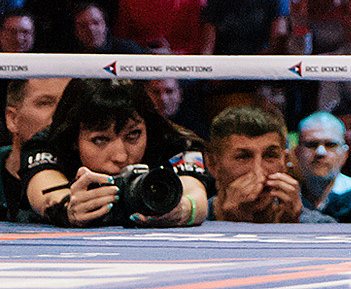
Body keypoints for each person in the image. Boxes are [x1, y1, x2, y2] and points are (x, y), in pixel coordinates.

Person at [22, 78, 208, 227]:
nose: (121, 157)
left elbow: (196, 197)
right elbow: (45, 193)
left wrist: (181, 210)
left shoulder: (174, 143)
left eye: (133, 135)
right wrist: (68, 207)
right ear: (73, 139)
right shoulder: (49, 143)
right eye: (100, 140)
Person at [206, 105, 316, 223]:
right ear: (213, 164)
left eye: (270, 156)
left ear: (285, 161)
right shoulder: (190, 224)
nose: (259, 173)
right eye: (243, 157)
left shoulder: (321, 228)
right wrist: (227, 224)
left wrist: (290, 229)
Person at [2, 78, 69, 220]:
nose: (60, 114)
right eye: (45, 103)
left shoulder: (89, 169)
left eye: (67, 103)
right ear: (12, 119)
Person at [294, 110, 351, 217]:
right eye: (311, 144)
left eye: (330, 145)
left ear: (345, 154)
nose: (320, 152)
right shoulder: (287, 196)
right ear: (297, 153)